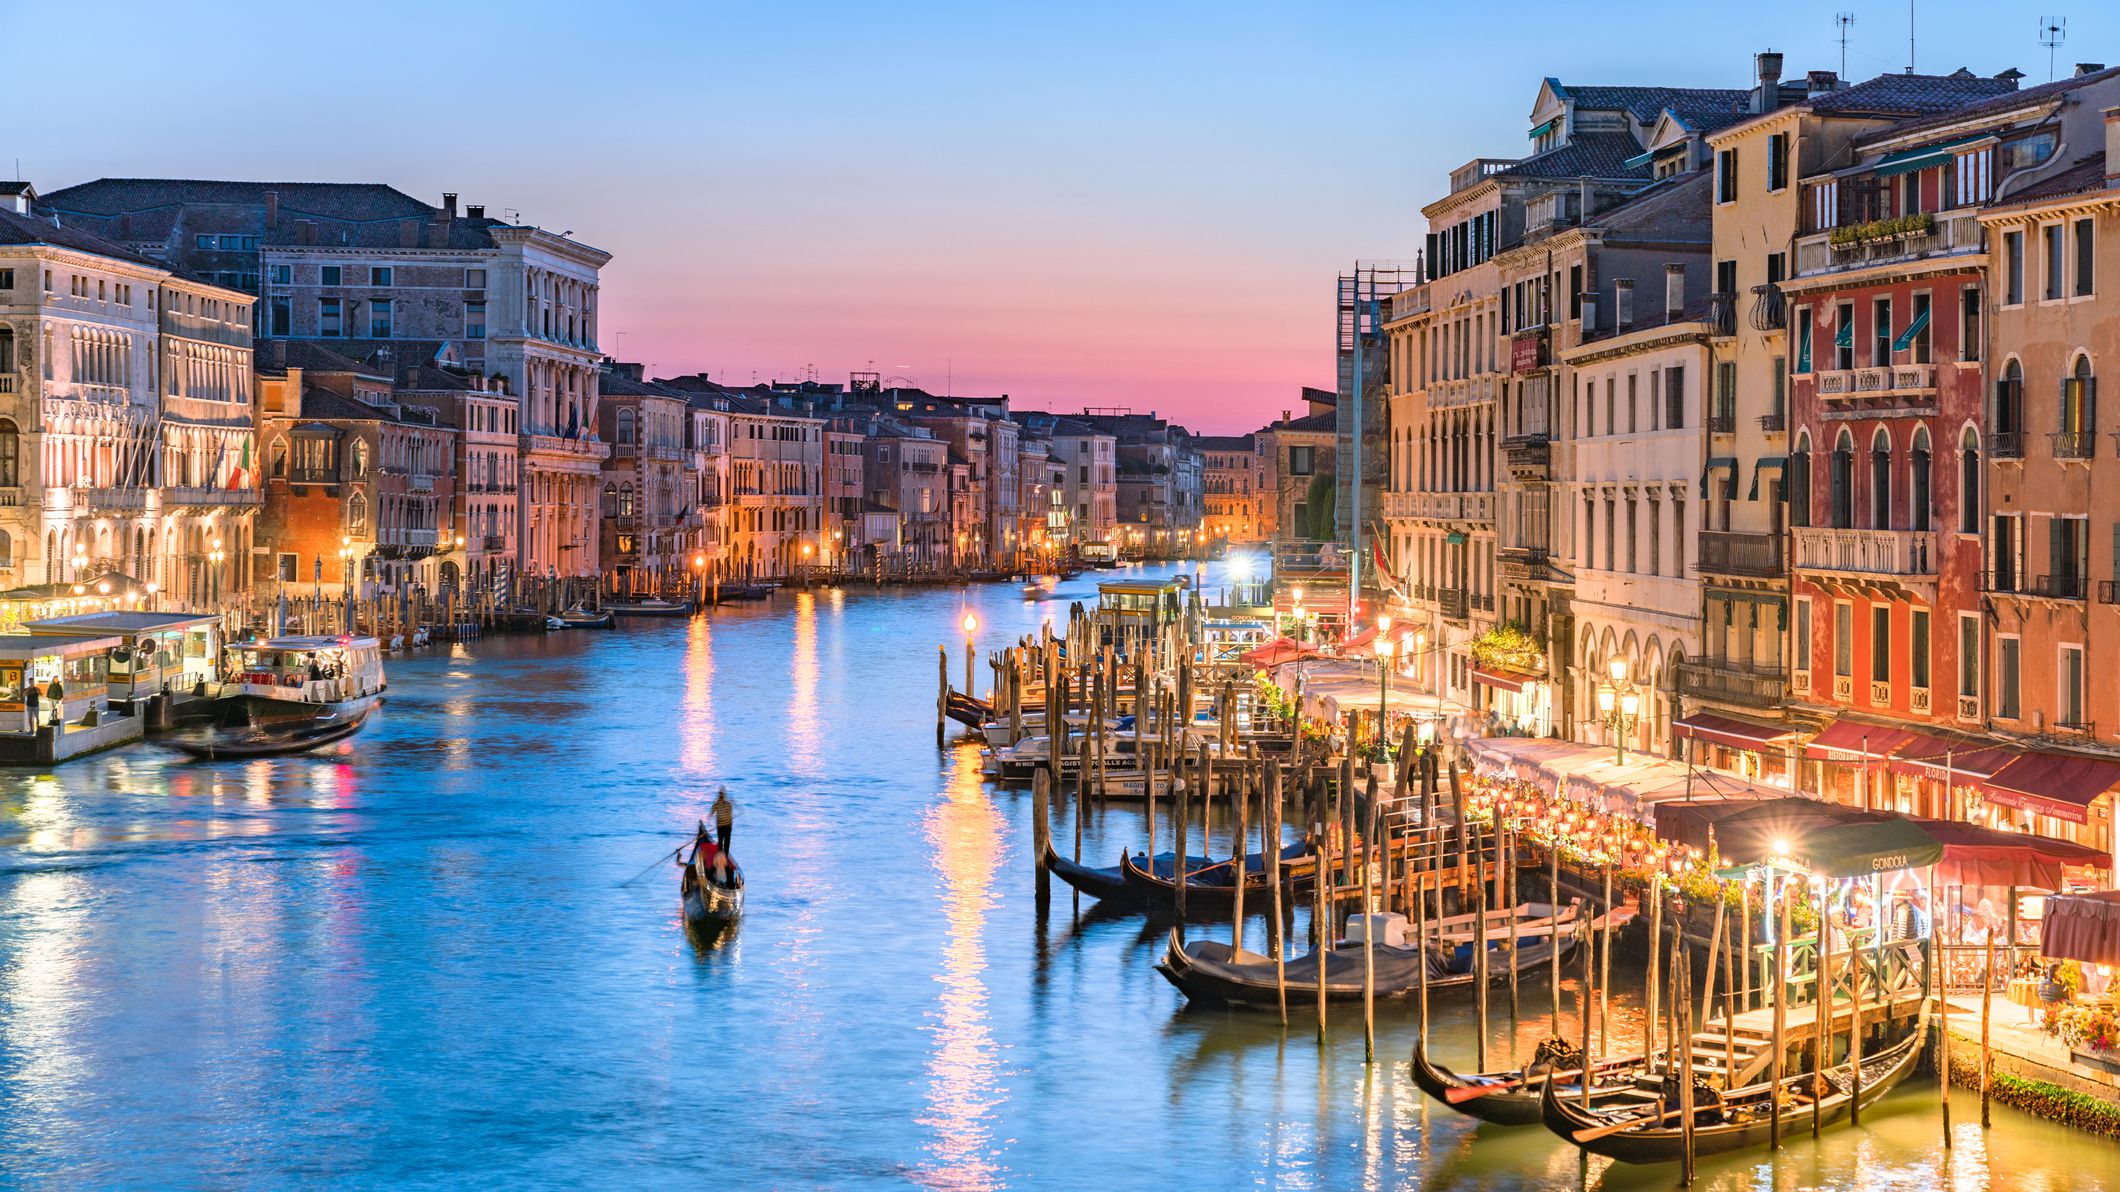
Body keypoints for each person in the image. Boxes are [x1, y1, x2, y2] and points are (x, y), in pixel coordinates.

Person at [712, 788, 735, 854]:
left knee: (723, 844)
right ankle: (723, 858)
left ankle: (722, 858)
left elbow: (711, 813)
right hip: (725, 825)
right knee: (725, 844)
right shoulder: (726, 803)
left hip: (725, 826)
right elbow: (730, 812)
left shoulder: (718, 803)